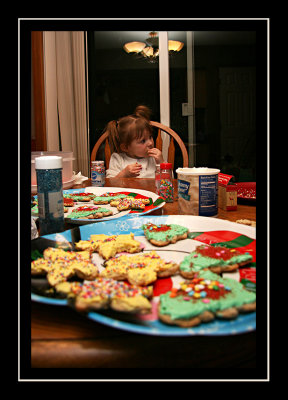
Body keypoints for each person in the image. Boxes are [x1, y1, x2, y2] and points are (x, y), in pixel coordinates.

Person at [105, 105, 164, 178]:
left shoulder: (154, 158)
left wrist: (161, 162)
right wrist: (124, 174)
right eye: (143, 141)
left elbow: (169, 181)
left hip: (151, 189)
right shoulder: (118, 159)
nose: (150, 143)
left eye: (150, 137)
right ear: (125, 147)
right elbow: (110, 183)